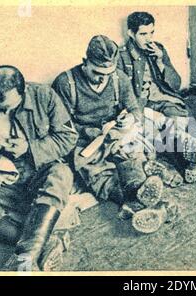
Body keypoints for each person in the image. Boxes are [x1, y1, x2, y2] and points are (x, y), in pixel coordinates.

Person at [0, 65, 78, 271]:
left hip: (37, 172)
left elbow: (68, 137)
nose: (5, 111)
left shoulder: (44, 96)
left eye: (11, 107)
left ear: (24, 91)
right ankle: (45, 243)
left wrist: (30, 148)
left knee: (61, 174)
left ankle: (25, 256)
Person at [52, 35, 172, 233]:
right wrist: (92, 132)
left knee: (130, 156)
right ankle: (131, 198)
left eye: (108, 73)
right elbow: (63, 127)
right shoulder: (66, 83)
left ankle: (138, 188)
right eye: (98, 72)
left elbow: (135, 108)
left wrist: (130, 119)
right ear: (85, 62)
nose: (103, 78)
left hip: (115, 132)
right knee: (96, 171)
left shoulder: (118, 78)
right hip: (83, 140)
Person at [117, 11, 196, 184]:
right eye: (143, 34)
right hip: (141, 104)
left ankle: (187, 157)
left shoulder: (158, 49)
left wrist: (161, 61)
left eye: (151, 33)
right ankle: (184, 163)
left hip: (162, 98)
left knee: (179, 122)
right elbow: (124, 95)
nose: (148, 39)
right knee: (157, 131)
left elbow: (176, 84)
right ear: (131, 33)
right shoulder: (122, 56)